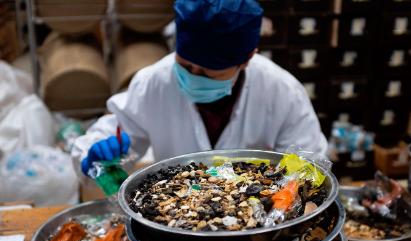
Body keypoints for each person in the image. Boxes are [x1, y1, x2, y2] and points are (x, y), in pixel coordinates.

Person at [71, 0, 327, 176]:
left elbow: (309, 162)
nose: (193, 77)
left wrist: (278, 196)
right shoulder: (154, 83)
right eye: (185, 64)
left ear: (247, 59)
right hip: (174, 221)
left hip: (258, 220)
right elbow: (112, 134)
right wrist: (94, 155)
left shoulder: (281, 91)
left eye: (208, 71)